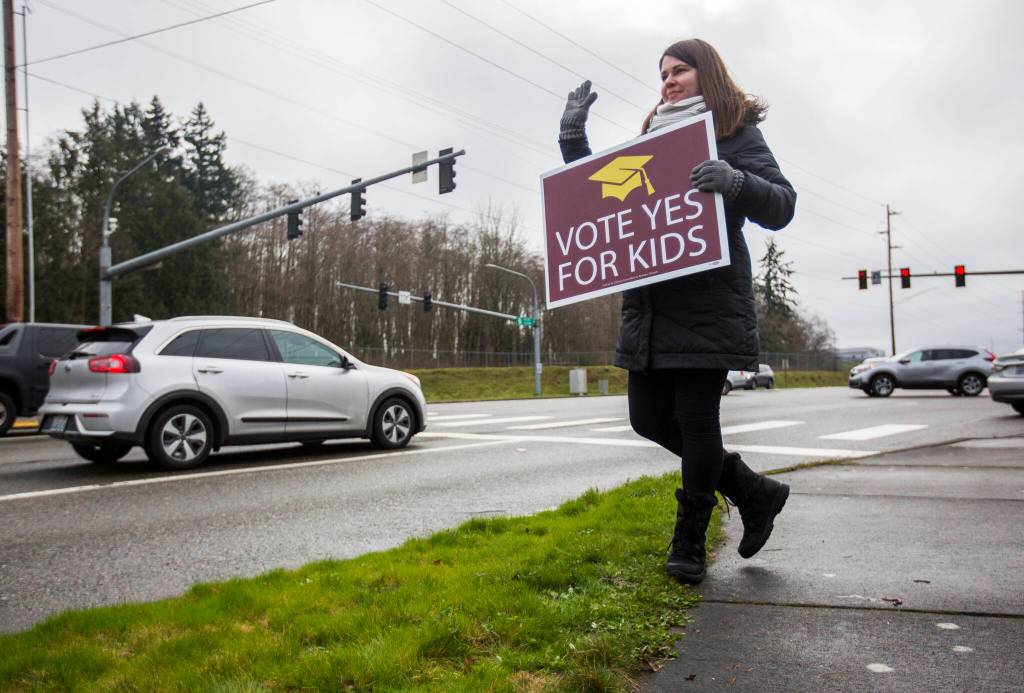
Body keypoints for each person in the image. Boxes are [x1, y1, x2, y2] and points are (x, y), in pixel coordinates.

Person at [558, 39, 796, 584]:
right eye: (662, 73)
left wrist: (735, 181)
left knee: (696, 420)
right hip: (651, 305)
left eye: (679, 70)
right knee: (647, 418)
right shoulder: (652, 138)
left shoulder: (733, 133)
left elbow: (781, 203)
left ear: (705, 72)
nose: (668, 79)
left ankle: (688, 542)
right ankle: (752, 491)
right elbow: (602, 198)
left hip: (708, 302)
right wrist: (574, 141)